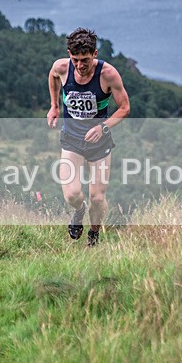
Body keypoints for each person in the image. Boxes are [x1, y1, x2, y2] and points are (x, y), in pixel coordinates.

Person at [47, 28, 130, 246]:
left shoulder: (108, 74)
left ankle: (94, 234)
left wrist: (103, 127)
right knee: (72, 194)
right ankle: (78, 211)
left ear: (94, 53)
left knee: (97, 197)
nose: (80, 66)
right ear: (69, 54)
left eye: (85, 60)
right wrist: (54, 106)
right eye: (75, 60)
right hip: (72, 140)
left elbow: (124, 108)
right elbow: (53, 76)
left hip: (99, 142)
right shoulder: (62, 67)